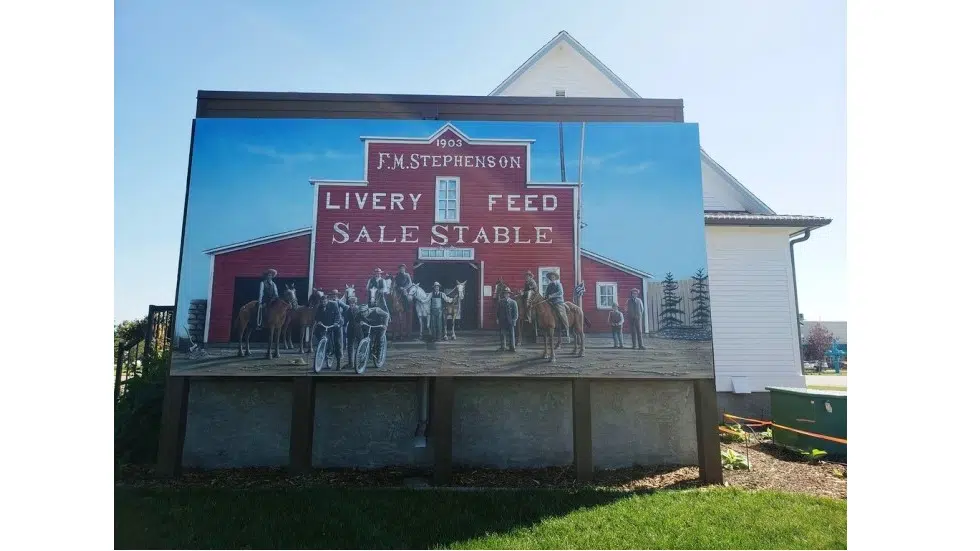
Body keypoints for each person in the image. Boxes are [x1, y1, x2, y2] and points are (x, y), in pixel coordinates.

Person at [312, 289, 348, 367]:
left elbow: (338, 315)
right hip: (327, 325)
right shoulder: (320, 307)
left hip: (337, 325)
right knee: (318, 332)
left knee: (337, 342)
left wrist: (336, 323)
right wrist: (318, 321)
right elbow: (317, 316)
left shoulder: (334, 304)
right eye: (322, 302)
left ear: (327, 300)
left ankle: (338, 362)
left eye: (324, 302)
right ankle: (326, 350)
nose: (323, 303)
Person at [544, 271, 570, 340]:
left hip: (558, 301)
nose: (551, 278)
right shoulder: (549, 285)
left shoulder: (558, 284)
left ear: (555, 278)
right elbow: (546, 293)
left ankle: (565, 326)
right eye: (550, 277)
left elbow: (561, 292)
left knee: (560, 312)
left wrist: (552, 296)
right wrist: (545, 297)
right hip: (550, 301)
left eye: (553, 277)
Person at [496, 287, 519, 352]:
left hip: (510, 321)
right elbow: (498, 311)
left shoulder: (513, 302)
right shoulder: (500, 302)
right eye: (505, 293)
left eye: (507, 293)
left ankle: (512, 347)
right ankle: (503, 347)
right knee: (502, 334)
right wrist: (497, 319)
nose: (506, 294)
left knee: (512, 334)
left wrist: (514, 320)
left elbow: (516, 313)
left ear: (509, 294)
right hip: (502, 320)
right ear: (503, 294)